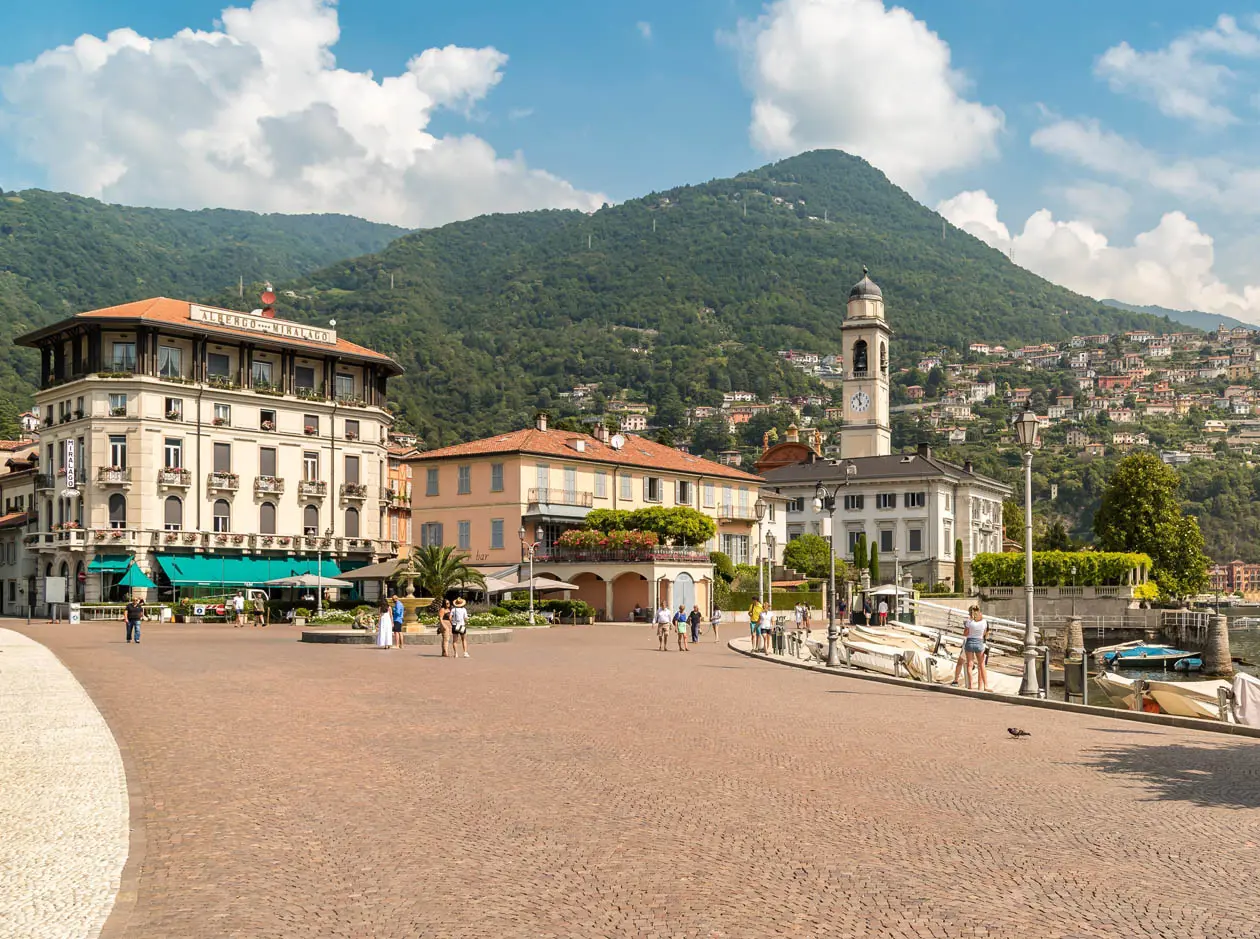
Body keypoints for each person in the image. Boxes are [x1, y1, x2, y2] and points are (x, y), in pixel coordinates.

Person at [960, 604, 991, 692]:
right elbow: (985, 633)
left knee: (970, 665)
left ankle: (970, 685)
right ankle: (986, 686)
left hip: (970, 642)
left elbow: (965, 633)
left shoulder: (969, 622)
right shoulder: (984, 621)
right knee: (982, 665)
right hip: (979, 642)